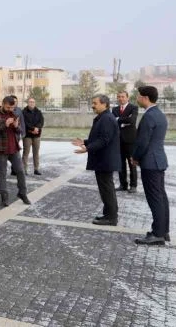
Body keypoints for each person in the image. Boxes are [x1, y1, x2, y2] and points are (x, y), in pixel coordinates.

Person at [72, 95, 121, 226]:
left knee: (107, 189)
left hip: (105, 160)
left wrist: (87, 148)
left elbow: (104, 140)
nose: (92, 105)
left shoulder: (107, 119)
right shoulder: (104, 117)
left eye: (95, 103)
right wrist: (85, 142)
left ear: (104, 104)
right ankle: (108, 214)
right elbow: (100, 137)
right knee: (105, 188)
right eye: (92, 103)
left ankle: (111, 217)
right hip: (103, 160)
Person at [132, 86, 170, 245]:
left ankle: (157, 234)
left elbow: (142, 142)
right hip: (159, 161)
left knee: (155, 198)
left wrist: (135, 157)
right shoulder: (160, 114)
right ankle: (163, 230)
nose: (137, 99)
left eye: (139, 96)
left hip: (150, 162)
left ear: (145, 98)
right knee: (161, 197)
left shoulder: (149, 116)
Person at [0, 96, 30, 207]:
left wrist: (16, 126)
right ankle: (4, 197)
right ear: (3, 104)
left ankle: (22, 193)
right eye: (8, 107)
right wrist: (4, 125)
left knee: (20, 171)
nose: (11, 109)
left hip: (14, 148)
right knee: (2, 173)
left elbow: (19, 130)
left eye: (12, 107)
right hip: (1, 149)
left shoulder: (14, 114)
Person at [112, 91, 139, 193]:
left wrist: (118, 119)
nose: (120, 99)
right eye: (118, 97)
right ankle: (123, 185)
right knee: (120, 164)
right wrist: (125, 121)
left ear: (127, 98)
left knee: (132, 163)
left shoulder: (133, 108)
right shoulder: (114, 109)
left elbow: (132, 121)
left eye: (123, 97)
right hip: (118, 140)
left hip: (130, 140)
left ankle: (133, 186)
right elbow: (112, 122)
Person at [22, 98, 44, 175]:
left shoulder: (39, 112)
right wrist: (32, 129)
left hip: (37, 135)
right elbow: (24, 123)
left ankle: (36, 169)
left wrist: (37, 128)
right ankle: (24, 169)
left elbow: (41, 122)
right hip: (27, 135)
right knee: (26, 153)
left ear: (35, 103)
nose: (32, 103)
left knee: (36, 152)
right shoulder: (23, 112)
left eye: (33, 102)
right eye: (30, 102)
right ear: (27, 103)